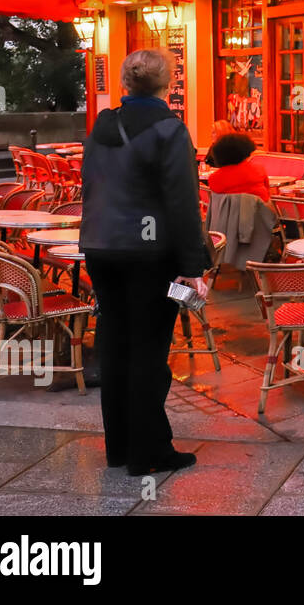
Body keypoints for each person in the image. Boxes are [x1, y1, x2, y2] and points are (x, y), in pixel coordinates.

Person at [80, 48, 210, 476]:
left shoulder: (102, 125)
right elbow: (183, 203)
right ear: (168, 84)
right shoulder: (170, 130)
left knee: (115, 346)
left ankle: (119, 447)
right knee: (149, 351)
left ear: (124, 84)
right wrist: (193, 265)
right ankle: (150, 452)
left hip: (101, 248)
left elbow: (90, 186)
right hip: (150, 255)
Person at [205, 132, 270, 203]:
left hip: (228, 214)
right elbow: (268, 195)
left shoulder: (214, 179)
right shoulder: (258, 170)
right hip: (259, 213)